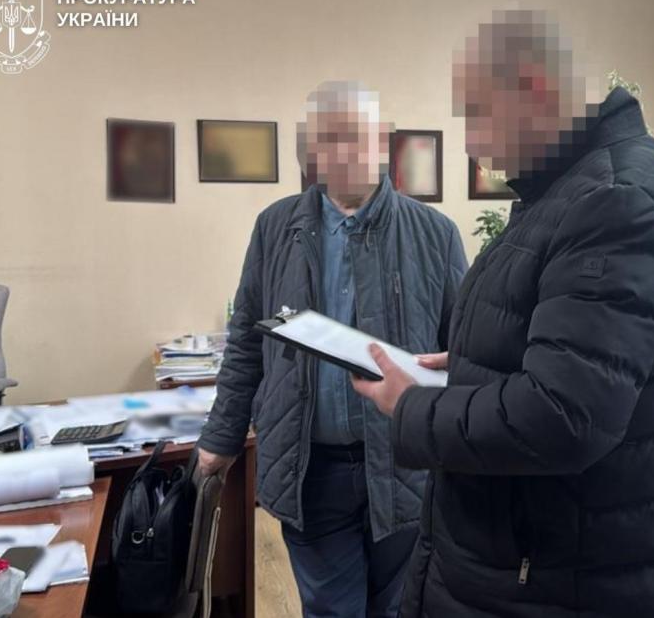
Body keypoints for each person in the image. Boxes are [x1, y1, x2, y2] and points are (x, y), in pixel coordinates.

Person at [353, 10, 654, 617]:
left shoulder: (616, 202)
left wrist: (412, 405)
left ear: (534, 89)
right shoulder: (569, 190)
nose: (472, 144)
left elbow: (563, 415)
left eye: (477, 115)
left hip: (578, 581)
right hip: (550, 565)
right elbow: (570, 349)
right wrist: (472, 362)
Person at [197, 81, 467, 617]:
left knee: (398, 606)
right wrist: (221, 437)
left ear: (382, 142)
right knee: (331, 609)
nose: (345, 153)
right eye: (329, 139)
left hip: (404, 466)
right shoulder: (276, 228)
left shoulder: (435, 234)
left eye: (357, 137)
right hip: (309, 469)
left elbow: (463, 351)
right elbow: (247, 342)